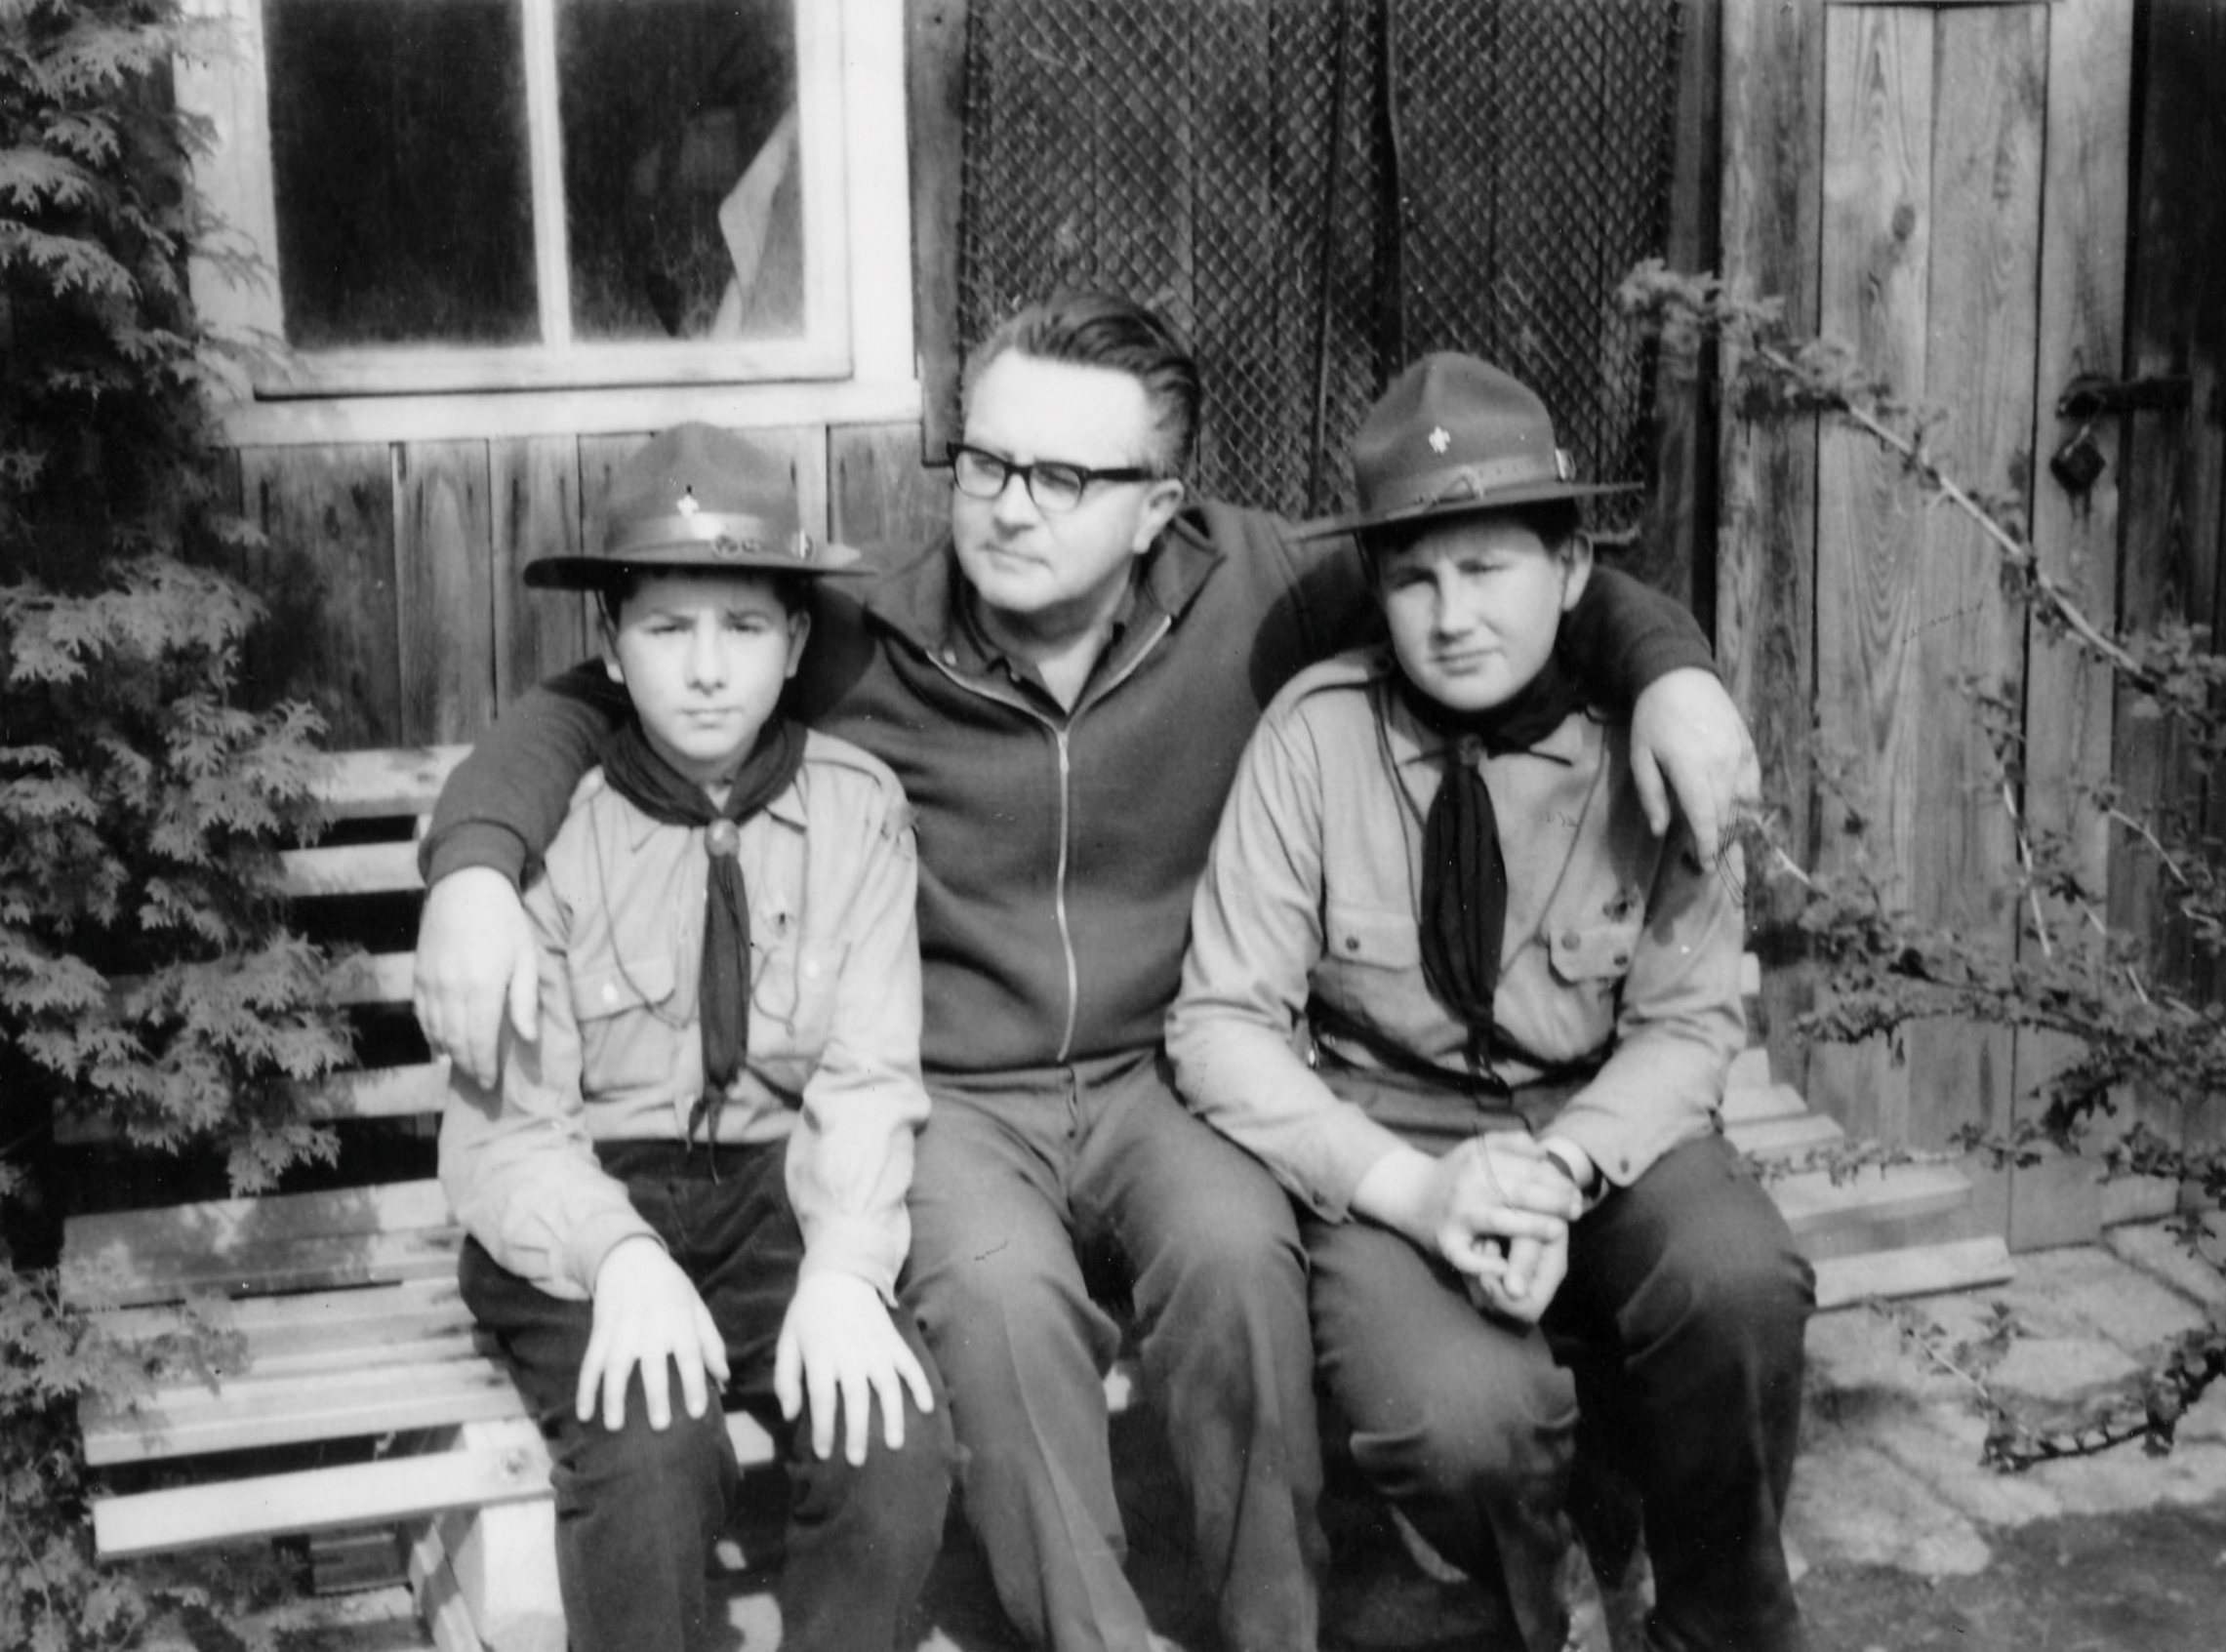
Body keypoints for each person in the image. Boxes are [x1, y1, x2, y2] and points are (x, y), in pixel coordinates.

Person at [413, 293, 1761, 1652]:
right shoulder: (861, 631)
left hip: (1160, 1075)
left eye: (1063, 477)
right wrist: (474, 864)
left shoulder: (1256, 592)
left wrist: (1671, 668)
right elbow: (614, 690)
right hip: (960, 1096)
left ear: (1158, 505)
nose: (1009, 507)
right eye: (987, 462)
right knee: (1001, 1307)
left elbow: (1489, 575)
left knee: (1236, 1265)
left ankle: (1274, 1633)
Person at [1165, 353, 1812, 1652]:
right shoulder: (1314, 737)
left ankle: (1717, 1619)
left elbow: (1688, 1025)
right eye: (1415, 578)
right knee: (1461, 1424)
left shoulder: (1652, 745)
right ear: (1376, 588)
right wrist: (1411, 1186)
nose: (1452, 615)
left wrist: (1560, 1170)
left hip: (1602, 1123)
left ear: (1571, 569)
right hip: (1389, 1129)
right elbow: (1220, 1022)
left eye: (1488, 568)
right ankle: (1541, 1593)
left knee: (1739, 1285)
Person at [437, 422, 954, 1652]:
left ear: (796, 644)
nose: (708, 669)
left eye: (745, 628)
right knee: (649, 1437)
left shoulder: (857, 814)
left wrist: (845, 1265)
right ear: (612, 644)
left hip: (781, 1198)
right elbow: (506, 1138)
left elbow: (869, 1076)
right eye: (668, 628)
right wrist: (619, 1256)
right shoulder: (544, 832)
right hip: (589, 1203)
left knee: (890, 1433)